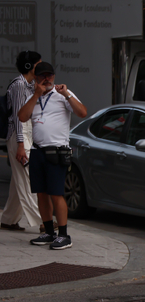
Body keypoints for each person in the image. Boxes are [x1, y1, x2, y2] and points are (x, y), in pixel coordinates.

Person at [18, 62, 87, 250]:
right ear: (37, 78)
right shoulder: (34, 96)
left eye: (50, 75)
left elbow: (82, 112)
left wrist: (67, 94)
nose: (47, 79)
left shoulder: (62, 94)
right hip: (38, 150)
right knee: (41, 193)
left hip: (57, 151)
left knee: (56, 193)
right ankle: (49, 231)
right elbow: (22, 116)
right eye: (42, 76)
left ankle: (64, 235)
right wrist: (36, 95)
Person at [0, 51, 42, 232]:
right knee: (27, 179)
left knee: (19, 180)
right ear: (29, 66)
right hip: (19, 135)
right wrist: (20, 145)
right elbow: (18, 118)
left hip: (28, 134)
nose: (40, 66)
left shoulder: (32, 85)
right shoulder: (18, 85)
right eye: (37, 64)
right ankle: (43, 221)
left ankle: (8, 219)